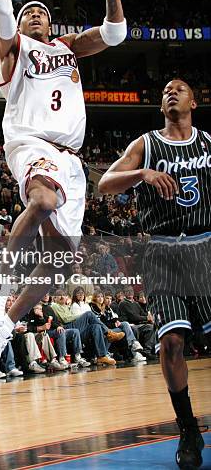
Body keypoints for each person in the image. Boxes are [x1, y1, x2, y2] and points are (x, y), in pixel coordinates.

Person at [0, 0, 132, 380]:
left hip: (72, 159)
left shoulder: (68, 48)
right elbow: (0, 6)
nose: (35, 15)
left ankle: (2, 326)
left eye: (41, 12)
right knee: (40, 200)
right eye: (28, 13)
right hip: (31, 141)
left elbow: (117, 33)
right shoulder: (14, 48)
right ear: (19, 28)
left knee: (61, 265)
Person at [98, 78, 211, 468]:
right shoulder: (146, 145)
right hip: (162, 249)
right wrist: (141, 175)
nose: (170, 92)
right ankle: (188, 428)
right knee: (172, 343)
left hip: (206, 245)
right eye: (164, 90)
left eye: (179, 88)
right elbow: (104, 183)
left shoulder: (208, 143)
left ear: (194, 102)